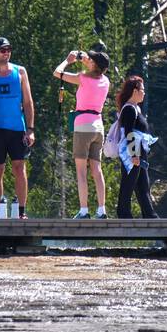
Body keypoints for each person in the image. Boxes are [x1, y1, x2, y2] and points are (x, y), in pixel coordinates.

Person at [53, 48, 110, 219]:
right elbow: (96, 70)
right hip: (98, 126)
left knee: (81, 171)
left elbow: (58, 73)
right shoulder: (105, 81)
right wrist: (86, 60)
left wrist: (68, 60)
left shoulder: (82, 78)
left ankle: (84, 210)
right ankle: (101, 210)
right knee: (97, 169)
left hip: (83, 125)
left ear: (94, 64)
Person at [0, 37, 35, 218]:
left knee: (19, 168)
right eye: (2, 50)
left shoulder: (20, 72)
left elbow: (28, 102)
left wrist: (30, 129)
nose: (6, 52)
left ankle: (21, 211)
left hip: (17, 128)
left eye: (9, 49)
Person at [116, 74, 159, 220]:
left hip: (140, 151)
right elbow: (129, 132)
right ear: (135, 91)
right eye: (142, 90)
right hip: (133, 151)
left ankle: (149, 214)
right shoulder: (129, 109)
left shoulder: (136, 109)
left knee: (142, 185)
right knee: (128, 183)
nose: (144, 93)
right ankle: (123, 214)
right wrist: (134, 154)